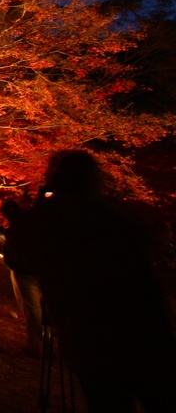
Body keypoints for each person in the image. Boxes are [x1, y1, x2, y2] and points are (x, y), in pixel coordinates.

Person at [20, 150, 176, 412]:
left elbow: (22, 256)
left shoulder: (48, 223)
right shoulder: (114, 221)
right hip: (141, 329)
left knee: (108, 402)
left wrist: (40, 207)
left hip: (86, 335)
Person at [0, 199, 43, 357]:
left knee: (31, 307)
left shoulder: (19, 226)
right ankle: (38, 341)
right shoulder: (33, 221)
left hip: (24, 270)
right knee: (35, 307)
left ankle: (37, 344)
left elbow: (14, 246)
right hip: (35, 268)